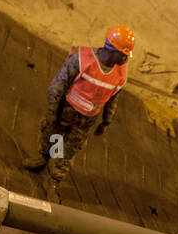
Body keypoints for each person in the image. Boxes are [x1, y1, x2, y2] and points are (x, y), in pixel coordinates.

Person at [24, 24, 136, 202]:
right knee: (54, 136)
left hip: (87, 120)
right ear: (111, 48)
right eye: (124, 53)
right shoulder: (82, 59)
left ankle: (53, 180)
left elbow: (113, 97)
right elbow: (59, 83)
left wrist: (106, 121)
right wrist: (52, 110)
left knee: (69, 149)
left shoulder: (121, 73)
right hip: (65, 111)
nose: (125, 58)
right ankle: (44, 158)